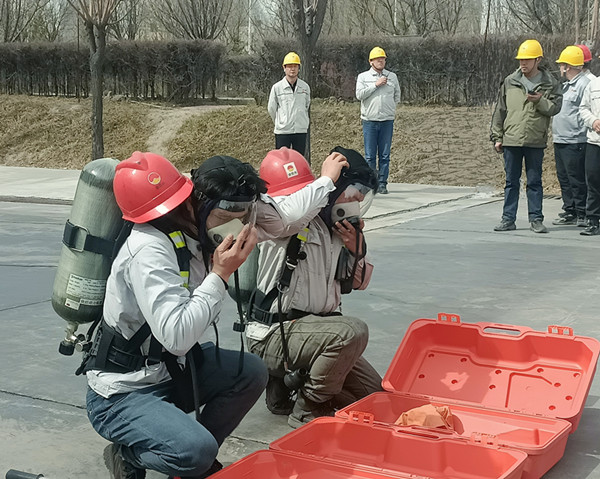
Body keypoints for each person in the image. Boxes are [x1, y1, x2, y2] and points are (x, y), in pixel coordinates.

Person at [84, 151, 349, 479]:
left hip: (170, 372)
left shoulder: (210, 218)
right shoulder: (150, 249)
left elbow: (286, 217)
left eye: (243, 213)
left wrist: (326, 181)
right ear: (194, 204)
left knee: (251, 372)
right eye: (225, 215)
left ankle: (189, 455)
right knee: (195, 451)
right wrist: (220, 274)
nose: (234, 226)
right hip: (123, 391)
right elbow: (177, 337)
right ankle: (132, 456)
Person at [244, 146, 383, 429]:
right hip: (275, 333)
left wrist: (356, 248)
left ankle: (286, 386)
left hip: (317, 334)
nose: (358, 198)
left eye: (364, 192)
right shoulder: (293, 223)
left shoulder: (340, 230)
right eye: (355, 189)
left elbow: (358, 283)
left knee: (374, 398)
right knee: (352, 332)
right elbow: (284, 215)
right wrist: (326, 181)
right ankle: (308, 407)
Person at [490, 39, 562, 234]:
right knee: (511, 182)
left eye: (527, 59)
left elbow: (555, 108)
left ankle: (536, 219)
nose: (523, 63)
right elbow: (500, 110)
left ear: (538, 60)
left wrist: (539, 101)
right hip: (511, 139)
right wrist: (497, 136)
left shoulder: (549, 83)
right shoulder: (510, 81)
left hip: (535, 139)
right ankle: (508, 219)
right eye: (521, 59)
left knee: (535, 182)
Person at [551, 46, 591, 227]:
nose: (559, 68)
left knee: (577, 179)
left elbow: (587, 110)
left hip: (575, 140)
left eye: (561, 65)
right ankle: (570, 210)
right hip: (560, 138)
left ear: (568, 66)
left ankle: (582, 212)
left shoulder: (584, 85)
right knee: (564, 178)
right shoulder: (565, 85)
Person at [356, 46, 401, 195]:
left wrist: (390, 108)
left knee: (385, 155)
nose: (380, 61)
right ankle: (370, 183)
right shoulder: (363, 77)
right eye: (377, 59)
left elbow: (397, 95)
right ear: (371, 61)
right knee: (370, 155)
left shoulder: (392, 77)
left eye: (382, 59)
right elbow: (359, 95)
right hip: (369, 121)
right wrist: (376, 85)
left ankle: (382, 183)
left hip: (387, 121)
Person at [267, 52, 311, 158]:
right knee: (282, 160)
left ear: (299, 68)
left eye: (295, 66)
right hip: (283, 131)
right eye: (290, 66)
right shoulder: (277, 87)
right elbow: (271, 108)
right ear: (284, 68)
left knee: (299, 159)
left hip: (300, 129)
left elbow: (307, 105)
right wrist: (281, 121)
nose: (292, 69)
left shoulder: (305, 87)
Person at [578, 67, 600, 235]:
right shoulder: (594, 84)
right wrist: (593, 121)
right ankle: (592, 220)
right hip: (594, 141)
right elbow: (583, 108)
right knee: (593, 180)